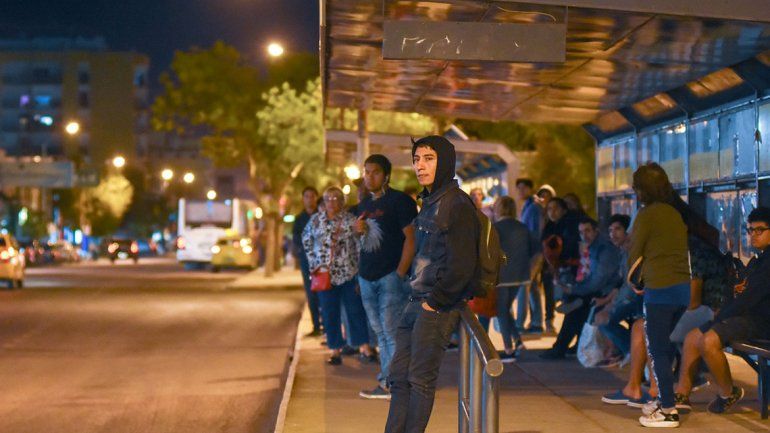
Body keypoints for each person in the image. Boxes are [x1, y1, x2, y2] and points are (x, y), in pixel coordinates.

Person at [384, 135, 480, 433]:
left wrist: (435, 302)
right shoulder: (429, 201)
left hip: (435, 305)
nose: (420, 166)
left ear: (445, 162)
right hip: (415, 300)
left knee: (419, 380)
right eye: (416, 159)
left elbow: (462, 264)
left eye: (428, 158)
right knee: (398, 378)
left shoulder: (457, 204)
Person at [674, 206, 770, 414]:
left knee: (708, 341)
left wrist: (722, 317)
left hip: (761, 324)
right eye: (750, 230)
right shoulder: (759, 259)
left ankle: (729, 392)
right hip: (748, 319)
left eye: (759, 230)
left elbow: (750, 299)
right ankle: (681, 394)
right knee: (692, 337)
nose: (753, 235)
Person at [630, 163, 691, 428]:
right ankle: (665, 399)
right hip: (682, 289)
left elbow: (635, 254)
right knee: (663, 346)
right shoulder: (674, 213)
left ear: (641, 189)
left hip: (659, 289)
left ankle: (668, 410)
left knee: (657, 350)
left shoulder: (646, 215)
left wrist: (634, 282)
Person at [355, 154, 418, 400]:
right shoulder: (364, 205)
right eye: (366, 172)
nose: (369, 176)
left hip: (390, 277)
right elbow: (364, 243)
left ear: (386, 176)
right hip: (367, 277)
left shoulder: (400, 201)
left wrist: (400, 273)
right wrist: (356, 232)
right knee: (379, 333)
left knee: (391, 332)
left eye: (375, 172)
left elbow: (411, 240)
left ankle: (394, 385)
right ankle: (387, 381)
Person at [302, 186, 376, 366]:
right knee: (329, 313)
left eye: (336, 199)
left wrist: (360, 272)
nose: (332, 202)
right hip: (326, 275)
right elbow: (306, 241)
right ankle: (335, 350)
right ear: (324, 202)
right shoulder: (316, 221)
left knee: (355, 311)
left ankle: (364, 347)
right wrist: (315, 264)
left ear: (342, 202)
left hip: (348, 274)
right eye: (328, 199)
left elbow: (360, 246)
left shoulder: (350, 220)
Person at [540, 216, 620, 359]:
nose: (584, 235)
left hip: (607, 291)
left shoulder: (604, 249)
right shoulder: (594, 247)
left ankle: (560, 347)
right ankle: (566, 345)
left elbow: (598, 281)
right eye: (581, 232)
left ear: (596, 231)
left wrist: (574, 289)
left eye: (588, 231)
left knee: (578, 306)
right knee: (576, 303)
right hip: (601, 289)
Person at [599, 214, 657, 407]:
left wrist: (612, 306)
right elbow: (623, 283)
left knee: (636, 325)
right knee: (636, 326)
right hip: (640, 298)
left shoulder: (636, 251)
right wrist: (609, 301)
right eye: (610, 230)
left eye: (618, 229)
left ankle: (643, 374)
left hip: (644, 299)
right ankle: (637, 373)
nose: (613, 234)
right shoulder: (624, 252)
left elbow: (632, 286)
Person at [478, 196, 532, 362]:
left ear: (498, 209)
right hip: (520, 276)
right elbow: (535, 250)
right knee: (505, 309)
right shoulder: (523, 228)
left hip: (500, 276)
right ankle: (518, 342)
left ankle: (508, 349)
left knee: (502, 311)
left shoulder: (495, 228)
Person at [293, 187, 322, 336]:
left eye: (312, 196)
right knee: (311, 293)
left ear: (316, 198)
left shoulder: (322, 215)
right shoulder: (299, 219)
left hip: (322, 261)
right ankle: (316, 326)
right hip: (306, 261)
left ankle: (326, 326)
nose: (310, 199)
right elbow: (296, 240)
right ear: (303, 199)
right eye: (307, 196)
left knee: (323, 293)